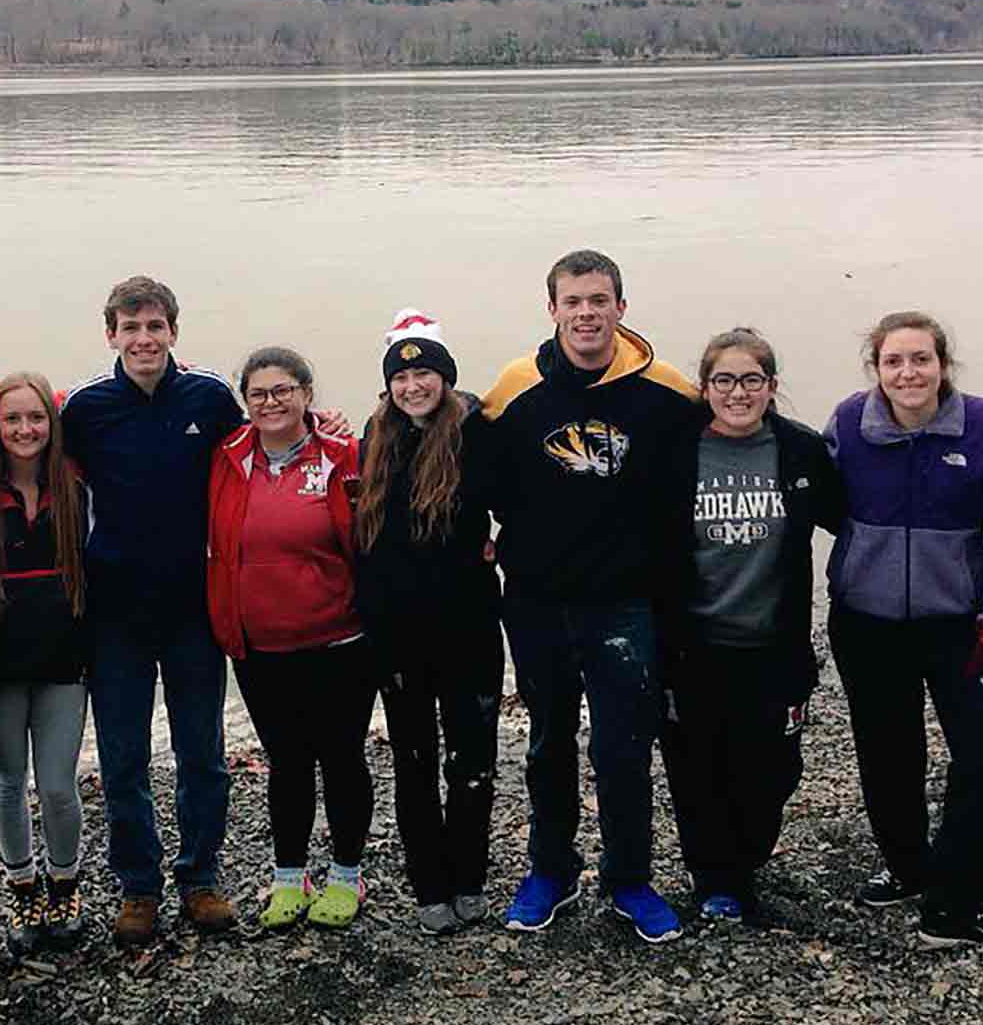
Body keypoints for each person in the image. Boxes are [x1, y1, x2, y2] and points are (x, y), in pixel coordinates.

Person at [482, 249, 699, 941]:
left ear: (621, 308)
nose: (586, 314)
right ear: (551, 310)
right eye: (572, 302)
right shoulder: (515, 388)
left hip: (626, 603)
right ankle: (551, 870)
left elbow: (714, 459)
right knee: (548, 743)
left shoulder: (666, 391)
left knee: (624, 748)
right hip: (537, 601)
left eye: (599, 300)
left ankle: (629, 878)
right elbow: (468, 471)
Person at [825, 311, 983, 955]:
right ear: (876, 369)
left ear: (943, 365)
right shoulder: (848, 425)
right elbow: (808, 498)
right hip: (866, 623)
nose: (908, 373)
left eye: (920, 359)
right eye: (893, 361)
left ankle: (955, 908)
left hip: (961, 627)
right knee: (888, 752)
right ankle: (907, 868)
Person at [59, 277, 245, 946]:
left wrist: (326, 425)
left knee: (203, 754)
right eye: (131, 328)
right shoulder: (85, 408)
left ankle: (200, 878)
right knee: (123, 760)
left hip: (193, 606)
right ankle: (138, 886)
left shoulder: (210, 398)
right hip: (115, 612)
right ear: (111, 334)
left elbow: (262, 453)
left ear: (173, 331)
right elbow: (35, 468)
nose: (144, 339)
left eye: (155, 326)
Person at [657, 329, 841, 924]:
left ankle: (748, 858)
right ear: (705, 388)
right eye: (724, 381)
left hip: (774, 648)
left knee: (773, 772)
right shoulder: (676, 449)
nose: (738, 393)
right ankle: (715, 878)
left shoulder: (800, 450)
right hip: (695, 649)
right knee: (697, 770)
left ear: (772, 386)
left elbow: (855, 518)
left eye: (751, 380)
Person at [206, 347, 373, 931]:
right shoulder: (225, 457)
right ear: (245, 402)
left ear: (306, 394)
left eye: (283, 391)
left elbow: (377, 532)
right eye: (258, 394)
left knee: (342, 758)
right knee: (287, 762)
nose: (271, 402)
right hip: (259, 646)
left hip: (339, 640)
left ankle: (347, 875)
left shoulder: (344, 455)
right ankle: (289, 876)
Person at [354, 310, 504, 936]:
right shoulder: (373, 438)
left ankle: (470, 875)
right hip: (397, 634)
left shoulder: (478, 431)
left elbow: (525, 501)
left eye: (425, 374)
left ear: (446, 377)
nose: (413, 386)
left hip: (469, 626)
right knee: (413, 761)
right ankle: (429, 884)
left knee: (472, 760)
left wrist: (501, 547)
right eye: (401, 376)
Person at [0, 372, 92, 956]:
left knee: (59, 785)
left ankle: (65, 880)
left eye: (36, 417)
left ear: (53, 422)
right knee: (7, 780)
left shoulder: (75, 481)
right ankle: (22, 883)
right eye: (12, 419)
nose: (25, 429)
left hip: (62, 659)